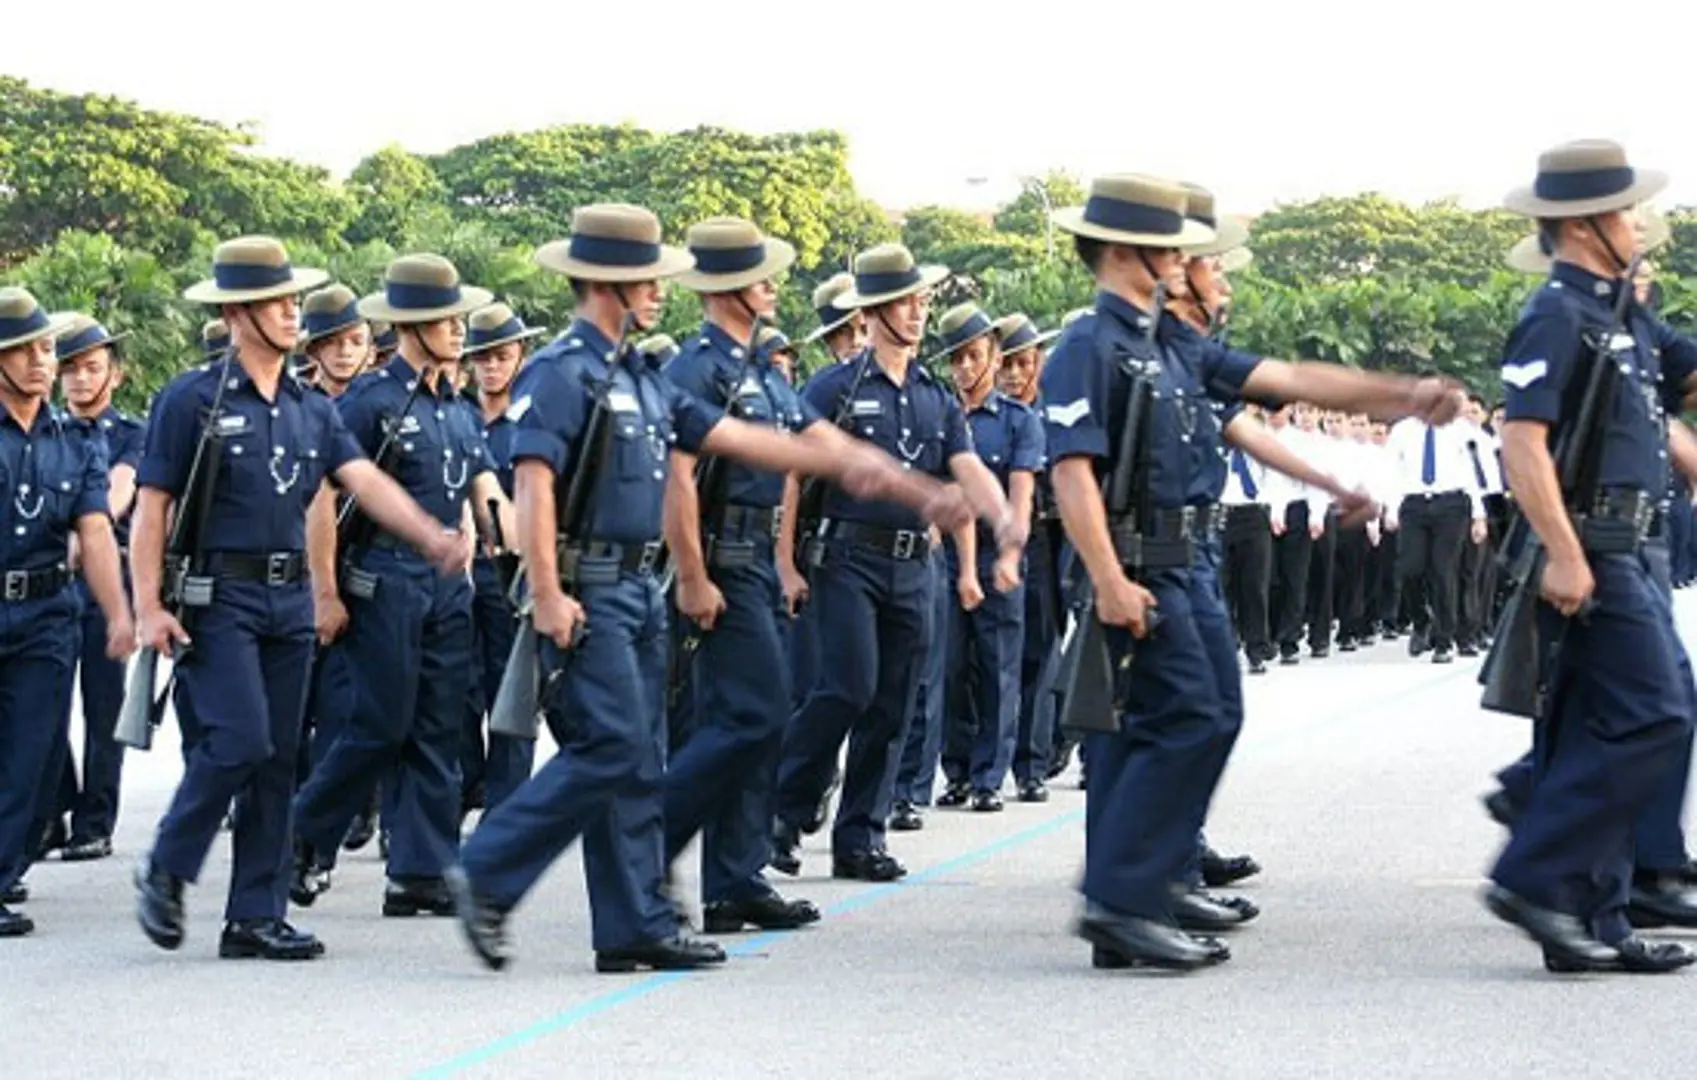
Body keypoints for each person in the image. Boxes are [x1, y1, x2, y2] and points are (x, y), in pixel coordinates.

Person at [444, 205, 970, 973]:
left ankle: (634, 926)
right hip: (587, 584)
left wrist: (891, 479)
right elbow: (533, 482)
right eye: (645, 277)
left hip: (634, 586)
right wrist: (549, 591)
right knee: (613, 746)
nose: (660, 288)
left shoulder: (638, 375)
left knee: (639, 760)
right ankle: (490, 868)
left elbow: (740, 440)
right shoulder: (564, 371)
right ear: (606, 283)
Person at [1040, 174, 1460, 970]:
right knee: (1187, 715)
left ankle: (1137, 890)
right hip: (1140, 562)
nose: (1181, 258)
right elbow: (1071, 474)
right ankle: (1121, 899)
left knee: (1203, 714)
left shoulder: (1169, 342)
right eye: (1169, 245)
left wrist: (1400, 395)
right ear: (1128, 251)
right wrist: (1105, 579)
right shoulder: (1086, 347)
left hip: (1184, 561)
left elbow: (1290, 381)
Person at [132, 237, 468, 960]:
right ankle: (168, 863)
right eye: (277, 302)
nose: (292, 313)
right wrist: (147, 605)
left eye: (292, 300)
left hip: (287, 599)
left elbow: (362, 482)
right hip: (217, 597)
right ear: (238, 311)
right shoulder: (190, 398)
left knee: (281, 759)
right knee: (239, 739)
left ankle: (255, 914)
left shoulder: (309, 406)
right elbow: (152, 506)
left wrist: (430, 533)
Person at [1482, 140, 1697, 973]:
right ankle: (1536, 873)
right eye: (1625, 210)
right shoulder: (1555, 315)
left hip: (1631, 540)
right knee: (1657, 711)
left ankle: (1594, 922)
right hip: (1595, 547)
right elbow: (1521, 442)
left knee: (1598, 724)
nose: (1639, 223)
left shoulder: (1619, 316)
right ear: (1583, 226)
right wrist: (1566, 555)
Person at [769, 244, 1020, 883]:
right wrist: (785, 563)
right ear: (874, 311)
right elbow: (794, 477)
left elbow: (965, 469)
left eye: (920, 300)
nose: (915, 311)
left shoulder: (937, 397)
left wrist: (1004, 522)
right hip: (845, 559)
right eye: (904, 301)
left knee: (893, 703)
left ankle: (861, 835)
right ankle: (783, 810)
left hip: (913, 567)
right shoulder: (833, 387)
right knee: (845, 688)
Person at [290, 254, 511, 919]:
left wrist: (524, 547)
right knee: (380, 723)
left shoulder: (458, 406)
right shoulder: (370, 401)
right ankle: (302, 836)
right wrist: (324, 592)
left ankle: (420, 869)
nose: (457, 329)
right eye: (446, 318)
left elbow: (486, 491)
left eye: (459, 317)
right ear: (412, 324)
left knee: (441, 724)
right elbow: (322, 498)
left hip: (448, 582)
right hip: (382, 577)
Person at [661, 217, 849, 932]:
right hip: (720, 561)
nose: (772, 281)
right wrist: (693, 575)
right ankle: (651, 842)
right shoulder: (695, 367)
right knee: (750, 714)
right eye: (756, 272)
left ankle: (733, 878)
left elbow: (808, 447)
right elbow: (676, 480)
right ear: (724, 287)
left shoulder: (756, 371)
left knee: (760, 723)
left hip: (757, 560)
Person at [0, 289, 133, 938]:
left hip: (48, 614)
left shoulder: (77, 442)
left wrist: (118, 614)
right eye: (20, 351)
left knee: (33, 754)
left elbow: (98, 531)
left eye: (44, 348)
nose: (38, 362)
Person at [47, 315, 146, 862]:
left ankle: (95, 821)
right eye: (71, 371)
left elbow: (117, 494)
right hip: (52, 584)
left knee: (104, 710)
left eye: (92, 369)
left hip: (110, 580)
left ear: (116, 375)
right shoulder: (48, 432)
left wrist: (82, 528)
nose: (81, 380)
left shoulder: (131, 434)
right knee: (40, 707)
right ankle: (52, 807)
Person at [458, 303, 545, 818]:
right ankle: (468, 786)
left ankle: (506, 808)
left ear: (520, 357)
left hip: (513, 575)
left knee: (511, 695)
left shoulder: (533, 420)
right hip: (459, 573)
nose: (491, 367)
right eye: (482, 358)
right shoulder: (459, 416)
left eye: (502, 356)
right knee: (457, 695)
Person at [994, 313, 1065, 800]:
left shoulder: (1056, 411)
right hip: (991, 540)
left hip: (1048, 538)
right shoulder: (989, 415)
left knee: (1042, 649)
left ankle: (1033, 760)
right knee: (995, 657)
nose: (1015, 375)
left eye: (1022, 363)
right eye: (1007, 367)